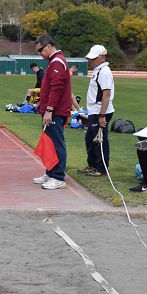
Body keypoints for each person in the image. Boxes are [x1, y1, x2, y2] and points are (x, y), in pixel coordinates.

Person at [32, 35, 74, 190]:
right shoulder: (53, 62)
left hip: (56, 112)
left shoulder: (57, 62)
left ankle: (58, 177)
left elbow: (57, 88)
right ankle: (50, 172)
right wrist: (41, 104)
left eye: (40, 51)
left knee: (56, 144)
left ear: (48, 47)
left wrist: (49, 110)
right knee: (49, 143)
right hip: (51, 110)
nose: (40, 54)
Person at [78, 44, 115, 177]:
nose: (91, 61)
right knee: (90, 138)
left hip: (101, 111)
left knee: (99, 139)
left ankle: (102, 168)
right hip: (95, 111)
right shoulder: (98, 70)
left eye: (94, 58)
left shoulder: (104, 72)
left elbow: (106, 94)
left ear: (102, 57)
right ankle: (93, 164)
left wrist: (102, 115)